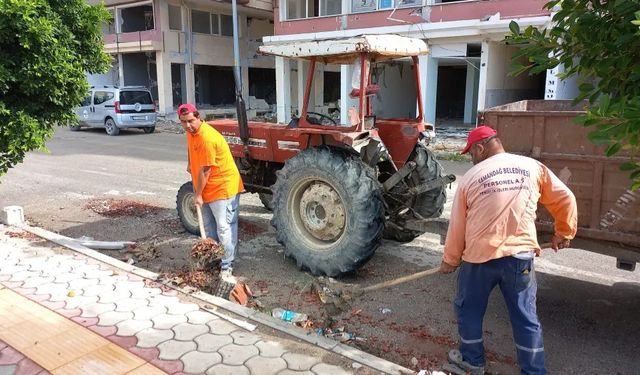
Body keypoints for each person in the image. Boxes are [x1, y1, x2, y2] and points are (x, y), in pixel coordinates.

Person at [439, 126, 578, 375]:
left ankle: (472, 362)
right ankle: (534, 371)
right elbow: (565, 198)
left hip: (479, 259)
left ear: (480, 148)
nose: (471, 158)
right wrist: (564, 232)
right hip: (519, 259)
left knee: (468, 309)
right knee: (525, 317)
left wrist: (450, 260)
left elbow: (457, 225)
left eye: (471, 153)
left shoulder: (471, 177)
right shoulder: (533, 167)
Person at [178, 103, 244, 278]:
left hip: (222, 187)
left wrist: (197, 195)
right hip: (206, 185)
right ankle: (214, 256)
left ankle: (227, 264)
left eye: (191, 121)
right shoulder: (190, 133)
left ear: (199, 117)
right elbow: (192, 151)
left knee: (224, 227)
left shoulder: (208, 137)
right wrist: (190, 164)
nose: (188, 125)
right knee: (208, 225)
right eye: (183, 122)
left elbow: (206, 171)